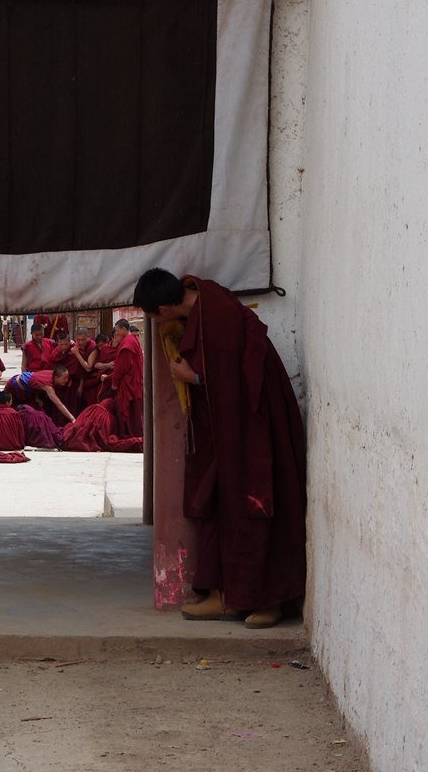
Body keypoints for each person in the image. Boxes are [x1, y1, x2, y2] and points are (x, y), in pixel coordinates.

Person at [133, 267, 307, 629]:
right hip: (225, 428)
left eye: (151, 315)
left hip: (253, 424)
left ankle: (267, 599)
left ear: (163, 309)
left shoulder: (218, 319)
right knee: (216, 504)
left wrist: (191, 377)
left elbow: (236, 381)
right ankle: (223, 596)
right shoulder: (202, 302)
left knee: (255, 503)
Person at [4, 365, 76, 425]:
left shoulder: (52, 374)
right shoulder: (48, 386)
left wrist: (37, 398)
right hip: (15, 386)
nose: (66, 380)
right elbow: (59, 404)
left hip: (29, 389)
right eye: (64, 378)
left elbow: (37, 385)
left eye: (67, 378)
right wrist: (72, 419)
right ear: (56, 377)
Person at [108, 318, 144, 438]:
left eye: (118, 331)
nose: (116, 334)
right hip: (135, 380)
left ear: (124, 329)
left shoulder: (127, 344)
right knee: (135, 411)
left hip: (129, 383)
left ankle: (130, 435)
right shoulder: (132, 340)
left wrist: (114, 382)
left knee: (128, 411)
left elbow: (121, 367)